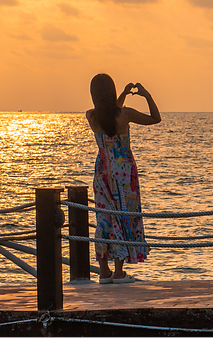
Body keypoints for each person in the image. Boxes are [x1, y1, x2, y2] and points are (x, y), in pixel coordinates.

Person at [85, 73, 161, 284]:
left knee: (104, 217)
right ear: (113, 92)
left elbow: (108, 114)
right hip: (124, 172)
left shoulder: (91, 116)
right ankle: (119, 271)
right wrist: (145, 95)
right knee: (123, 214)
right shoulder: (125, 114)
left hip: (102, 171)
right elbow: (156, 118)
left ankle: (103, 271)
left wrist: (124, 95)